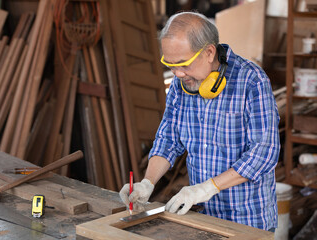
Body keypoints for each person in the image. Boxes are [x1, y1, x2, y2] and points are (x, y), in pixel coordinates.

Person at [119, 11, 280, 231]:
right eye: (171, 65)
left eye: (184, 64)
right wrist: (147, 182)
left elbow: (265, 152)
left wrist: (207, 188)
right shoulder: (181, 85)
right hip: (202, 218)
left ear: (209, 52)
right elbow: (168, 138)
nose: (177, 74)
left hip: (247, 221)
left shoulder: (252, 81)